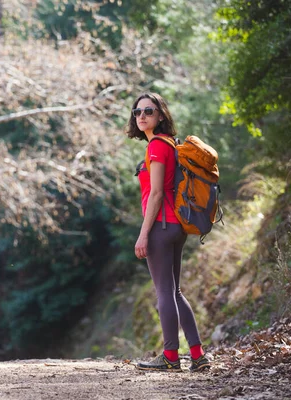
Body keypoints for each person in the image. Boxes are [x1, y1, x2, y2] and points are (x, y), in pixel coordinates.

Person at [127, 92, 210, 372]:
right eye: (137, 112)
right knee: (175, 292)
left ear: (160, 115)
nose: (142, 116)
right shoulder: (167, 145)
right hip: (176, 227)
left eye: (148, 111)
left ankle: (171, 356)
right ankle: (197, 355)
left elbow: (157, 193)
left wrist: (143, 234)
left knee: (164, 292)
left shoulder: (156, 148)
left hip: (161, 227)